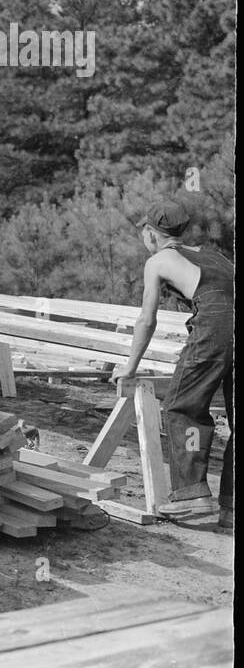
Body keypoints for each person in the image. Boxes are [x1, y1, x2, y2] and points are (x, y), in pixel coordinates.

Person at [111, 201, 233, 528]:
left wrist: (130, 368)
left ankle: (192, 499)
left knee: (182, 407)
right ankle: (231, 508)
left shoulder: (159, 260)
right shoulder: (215, 256)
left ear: (151, 233)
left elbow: (146, 321)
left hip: (216, 326)